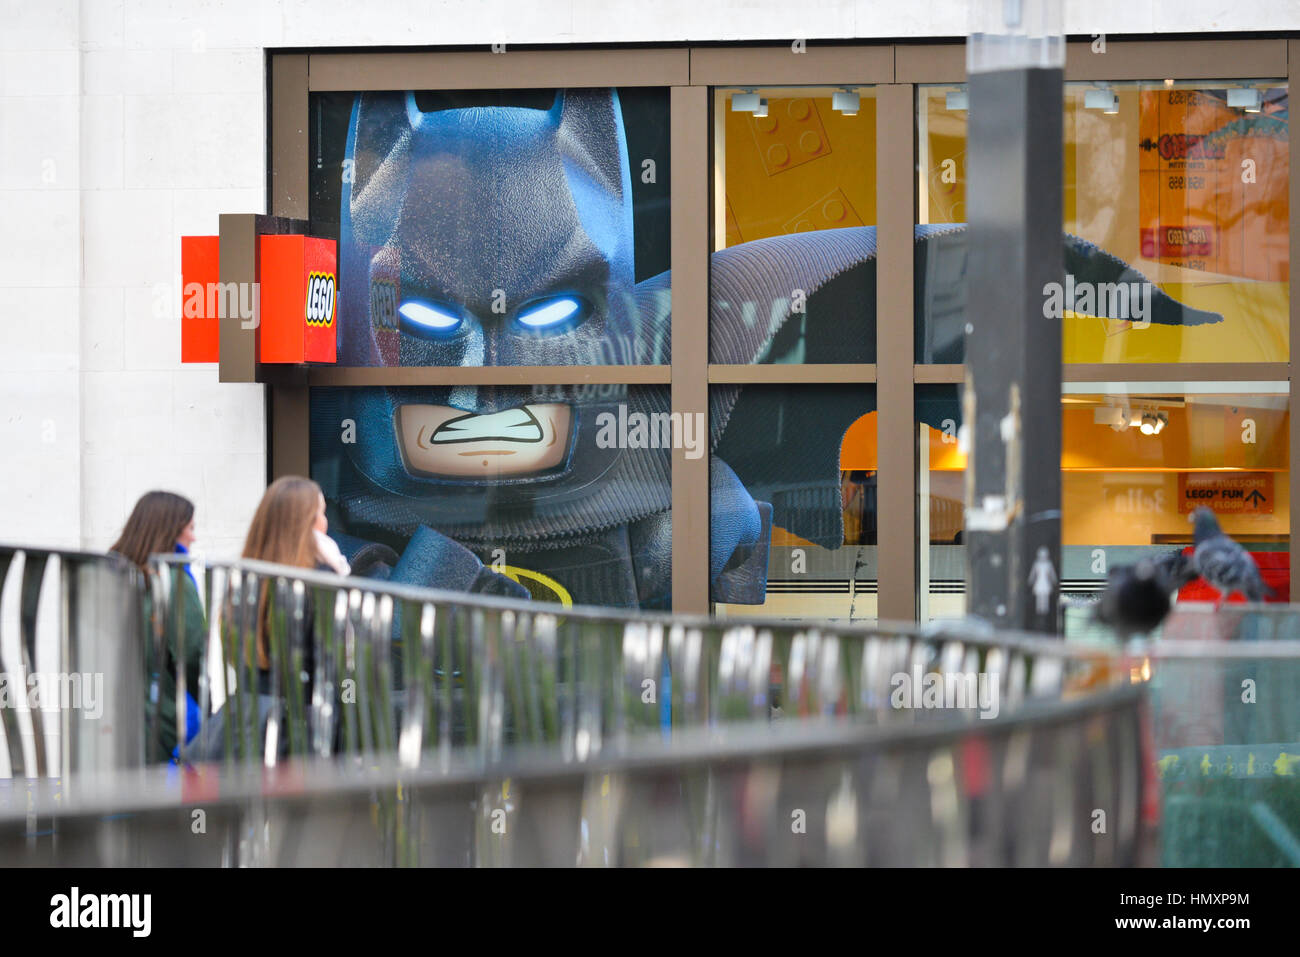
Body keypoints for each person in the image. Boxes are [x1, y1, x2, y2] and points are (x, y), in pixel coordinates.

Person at [109, 491, 206, 763]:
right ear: (171, 530)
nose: (193, 537)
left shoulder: (109, 573)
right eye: (190, 528)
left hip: (109, 722)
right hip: (161, 726)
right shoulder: (174, 580)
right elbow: (194, 655)